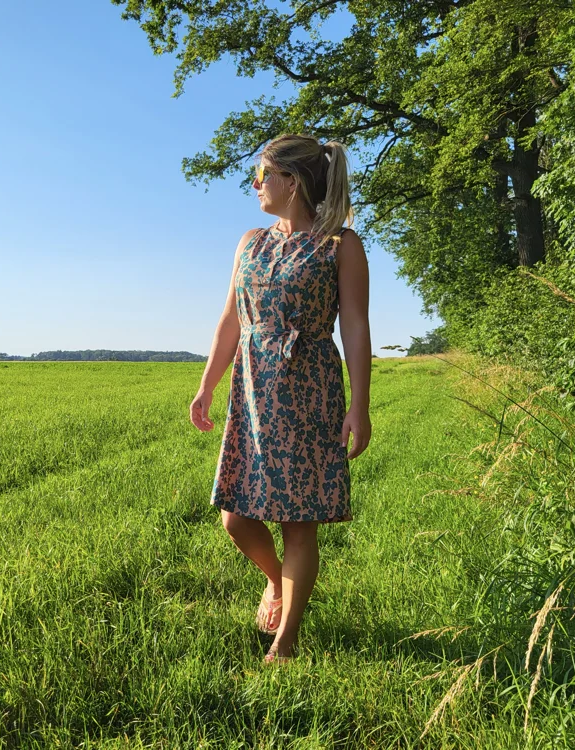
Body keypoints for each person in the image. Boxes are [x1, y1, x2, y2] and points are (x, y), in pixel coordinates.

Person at [189, 134, 372, 664]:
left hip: (309, 389)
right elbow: (230, 319)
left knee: (297, 521)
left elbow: (356, 329)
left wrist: (359, 406)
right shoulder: (250, 242)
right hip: (251, 391)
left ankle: (285, 642)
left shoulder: (341, 245)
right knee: (235, 515)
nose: (256, 184)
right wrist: (207, 384)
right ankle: (275, 581)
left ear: (292, 182)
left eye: (264, 174)